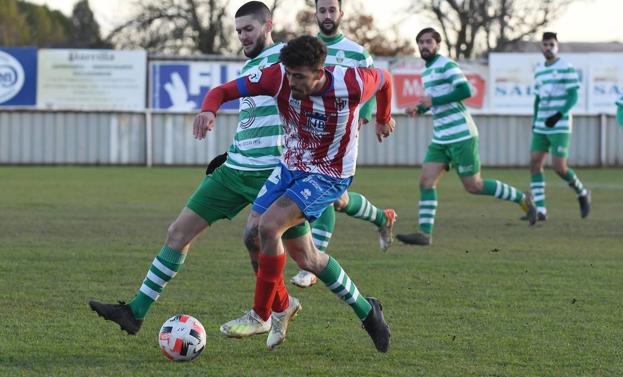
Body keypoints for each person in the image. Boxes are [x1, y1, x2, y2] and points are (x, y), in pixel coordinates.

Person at [88, 1, 305, 337]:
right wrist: (214, 120)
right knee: (178, 233)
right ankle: (135, 312)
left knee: (307, 257)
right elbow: (241, 112)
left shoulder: (286, 60)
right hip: (233, 170)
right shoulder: (249, 68)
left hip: (272, 175)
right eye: (238, 31)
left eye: (248, 29)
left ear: (268, 25)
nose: (242, 36)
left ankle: (357, 307)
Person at [195, 35, 394, 352]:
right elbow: (223, 91)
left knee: (269, 226)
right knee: (281, 248)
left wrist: (383, 117)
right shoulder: (278, 76)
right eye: (288, 74)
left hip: (329, 174)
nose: (291, 82)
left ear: (320, 72)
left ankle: (260, 315)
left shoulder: (353, 83)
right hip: (290, 166)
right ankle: (369, 312)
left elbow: (384, 80)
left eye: (299, 76)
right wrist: (209, 109)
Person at [288, 0, 398, 289]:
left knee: (326, 192)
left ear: (341, 13)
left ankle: (312, 265)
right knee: (338, 199)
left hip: (342, 138)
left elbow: (374, 86)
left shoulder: (357, 53)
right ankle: (381, 217)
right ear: (316, 13)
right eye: (322, 10)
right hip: (307, 134)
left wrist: (369, 115)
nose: (326, 15)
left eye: (331, 10)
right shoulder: (305, 49)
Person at [396, 27, 537, 246]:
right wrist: (420, 109)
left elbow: (465, 91)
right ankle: (424, 234)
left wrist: (432, 102)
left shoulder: (447, 65)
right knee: (426, 182)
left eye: (428, 42)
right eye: (421, 42)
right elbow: (436, 100)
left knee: (474, 186)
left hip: (461, 135)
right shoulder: (427, 72)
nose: (424, 46)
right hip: (441, 137)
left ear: (437, 44)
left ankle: (522, 198)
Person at [526, 32, 590, 221]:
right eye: (545, 44)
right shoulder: (539, 70)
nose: (548, 47)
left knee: (559, 167)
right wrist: (536, 120)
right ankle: (541, 210)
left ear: (557, 45)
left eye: (551, 44)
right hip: (541, 126)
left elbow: (573, 96)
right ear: (542, 47)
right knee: (535, 163)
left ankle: (582, 192)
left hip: (560, 124)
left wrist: (558, 114)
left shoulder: (566, 68)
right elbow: (537, 99)